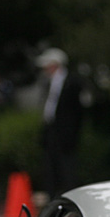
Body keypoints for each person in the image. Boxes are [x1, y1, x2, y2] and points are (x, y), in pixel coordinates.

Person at [37, 48, 84, 198]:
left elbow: (77, 111)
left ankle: (71, 201)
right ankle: (52, 200)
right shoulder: (48, 82)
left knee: (67, 169)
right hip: (51, 129)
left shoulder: (71, 81)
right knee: (50, 168)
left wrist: (72, 133)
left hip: (65, 133)